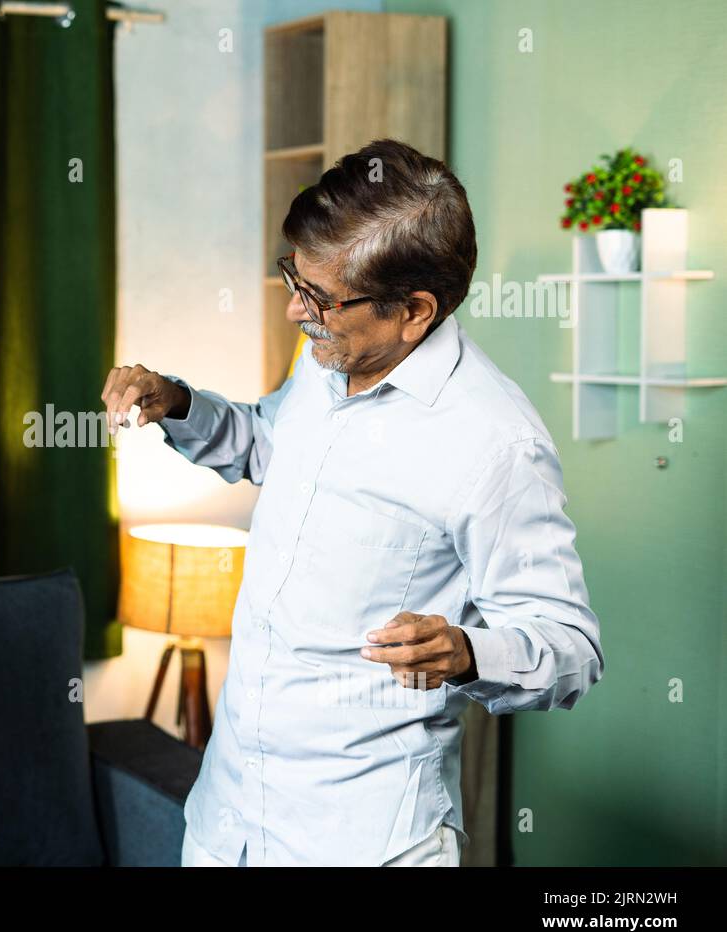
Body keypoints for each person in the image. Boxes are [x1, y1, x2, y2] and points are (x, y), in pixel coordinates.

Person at [101, 140, 603, 867]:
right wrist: (176, 403)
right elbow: (269, 446)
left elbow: (572, 650)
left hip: (362, 840)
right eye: (293, 279)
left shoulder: (496, 445)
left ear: (415, 312)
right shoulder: (330, 353)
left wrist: (466, 652)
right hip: (227, 821)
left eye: (319, 298)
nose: (292, 310)